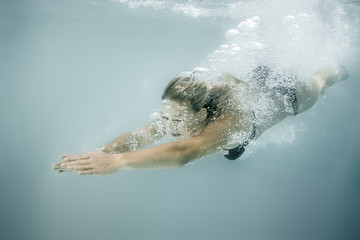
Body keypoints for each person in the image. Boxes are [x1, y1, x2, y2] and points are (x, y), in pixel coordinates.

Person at [52, 66, 349, 175]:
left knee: (322, 79)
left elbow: (184, 154)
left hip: (289, 95)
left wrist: (119, 163)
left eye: (178, 118)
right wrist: (103, 152)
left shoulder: (227, 123)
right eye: (167, 115)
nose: (170, 125)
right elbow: (140, 136)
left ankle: (340, 67)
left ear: (202, 114)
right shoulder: (176, 117)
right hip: (256, 82)